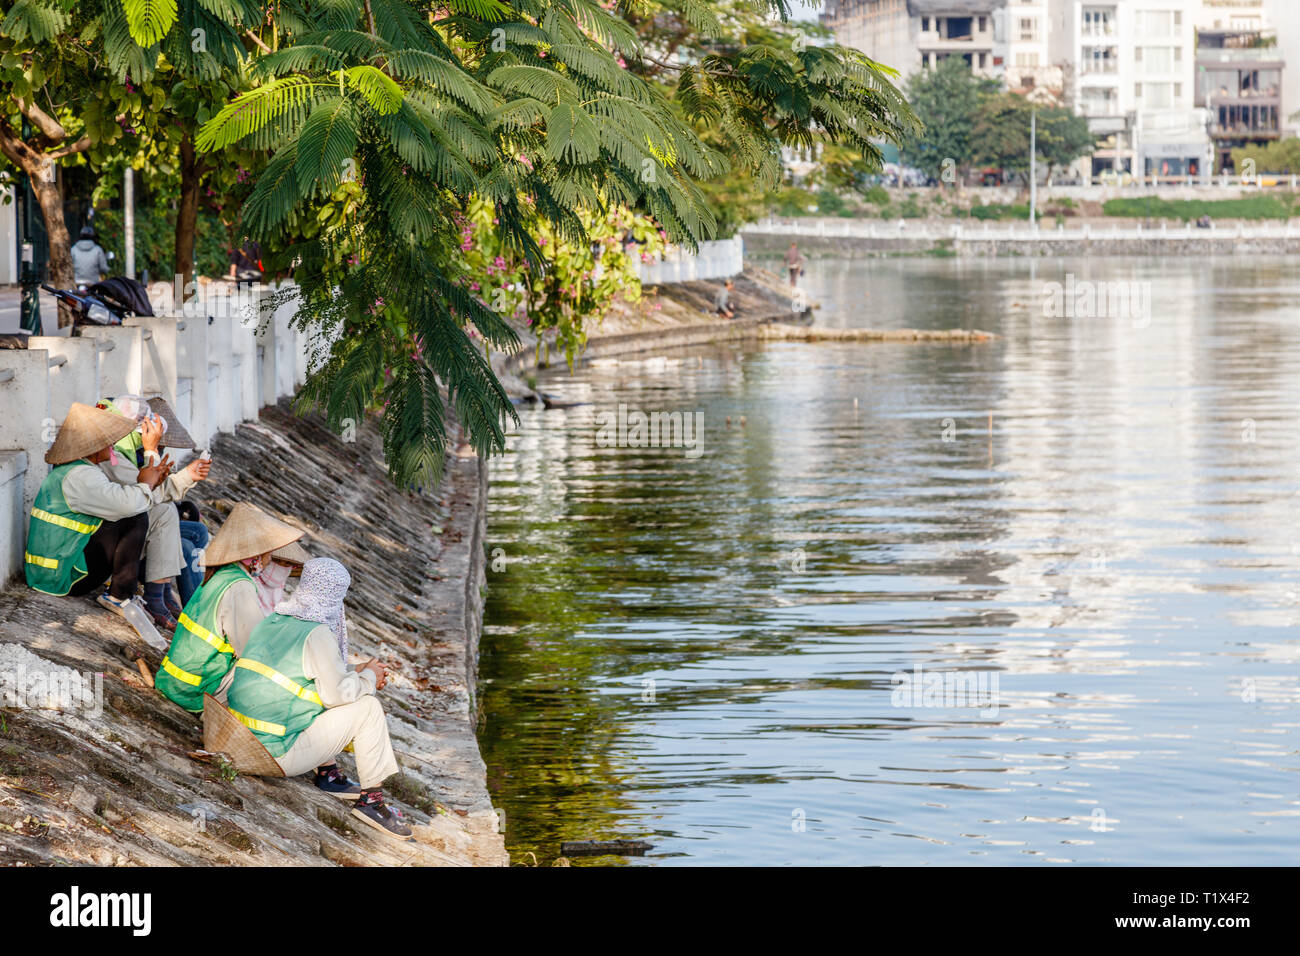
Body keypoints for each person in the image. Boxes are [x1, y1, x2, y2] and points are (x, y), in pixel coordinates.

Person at [226, 558, 412, 839]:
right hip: (274, 752)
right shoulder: (317, 633)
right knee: (368, 707)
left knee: (319, 692)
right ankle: (372, 801)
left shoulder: (274, 619)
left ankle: (328, 773)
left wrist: (358, 671)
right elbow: (338, 695)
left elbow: (302, 675)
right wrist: (370, 678)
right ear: (336, 596)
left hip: (241, 738)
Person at [25, 403, 171, 620]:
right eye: (107, 441)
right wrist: (146, 484)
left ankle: (126, 592)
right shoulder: (81, 476)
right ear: (93, 446)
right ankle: (119, 595)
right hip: (60, 577)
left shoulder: (78, 470)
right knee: (135, 518)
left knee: (132, 512)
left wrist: (149, 482)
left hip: (50, 571)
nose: (112, 444)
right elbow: (129, 504)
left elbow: (126, 498)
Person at [155, 502, 304, 714]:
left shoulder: (223, 574)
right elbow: (252, 650)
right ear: (255, 556)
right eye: (269, 554)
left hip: (173, 680)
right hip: (195, 690)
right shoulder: (240, 587)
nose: (269, 560)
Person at [94, 395, 201, 629]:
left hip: (128, 525)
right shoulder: (114, 456)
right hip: (109, 541)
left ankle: (169, 598)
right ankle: (159, 598)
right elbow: (143, 497)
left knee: (197, 531)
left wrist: (186, 477)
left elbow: (149, 493)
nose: (156, 443)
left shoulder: (130, 452)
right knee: (172, 524)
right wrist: (152, 452)